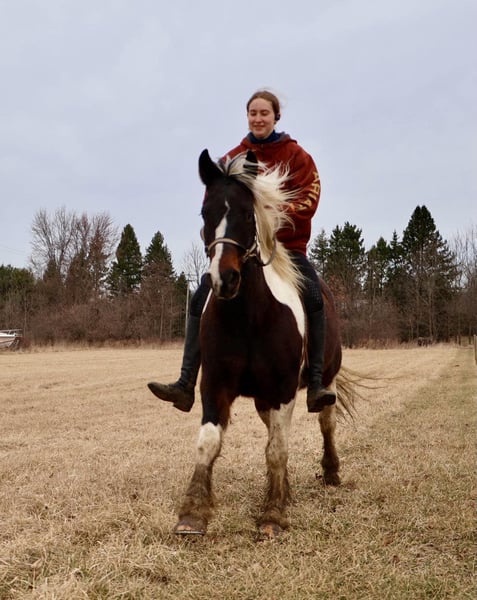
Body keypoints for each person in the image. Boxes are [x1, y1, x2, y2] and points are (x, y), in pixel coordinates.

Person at [148, 89, 336, 414]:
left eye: (264, 113)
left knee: (314, 296)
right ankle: (185, 382)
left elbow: (310, 197)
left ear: (276, 117)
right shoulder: (232, 158)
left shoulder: (297, 156)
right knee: (200, 295)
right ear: (247, 117)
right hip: (244, 251)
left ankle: (316, 380)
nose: (258, 118)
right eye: (253, 113)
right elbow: (215, 200)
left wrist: (271, 214)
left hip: (287, 249)